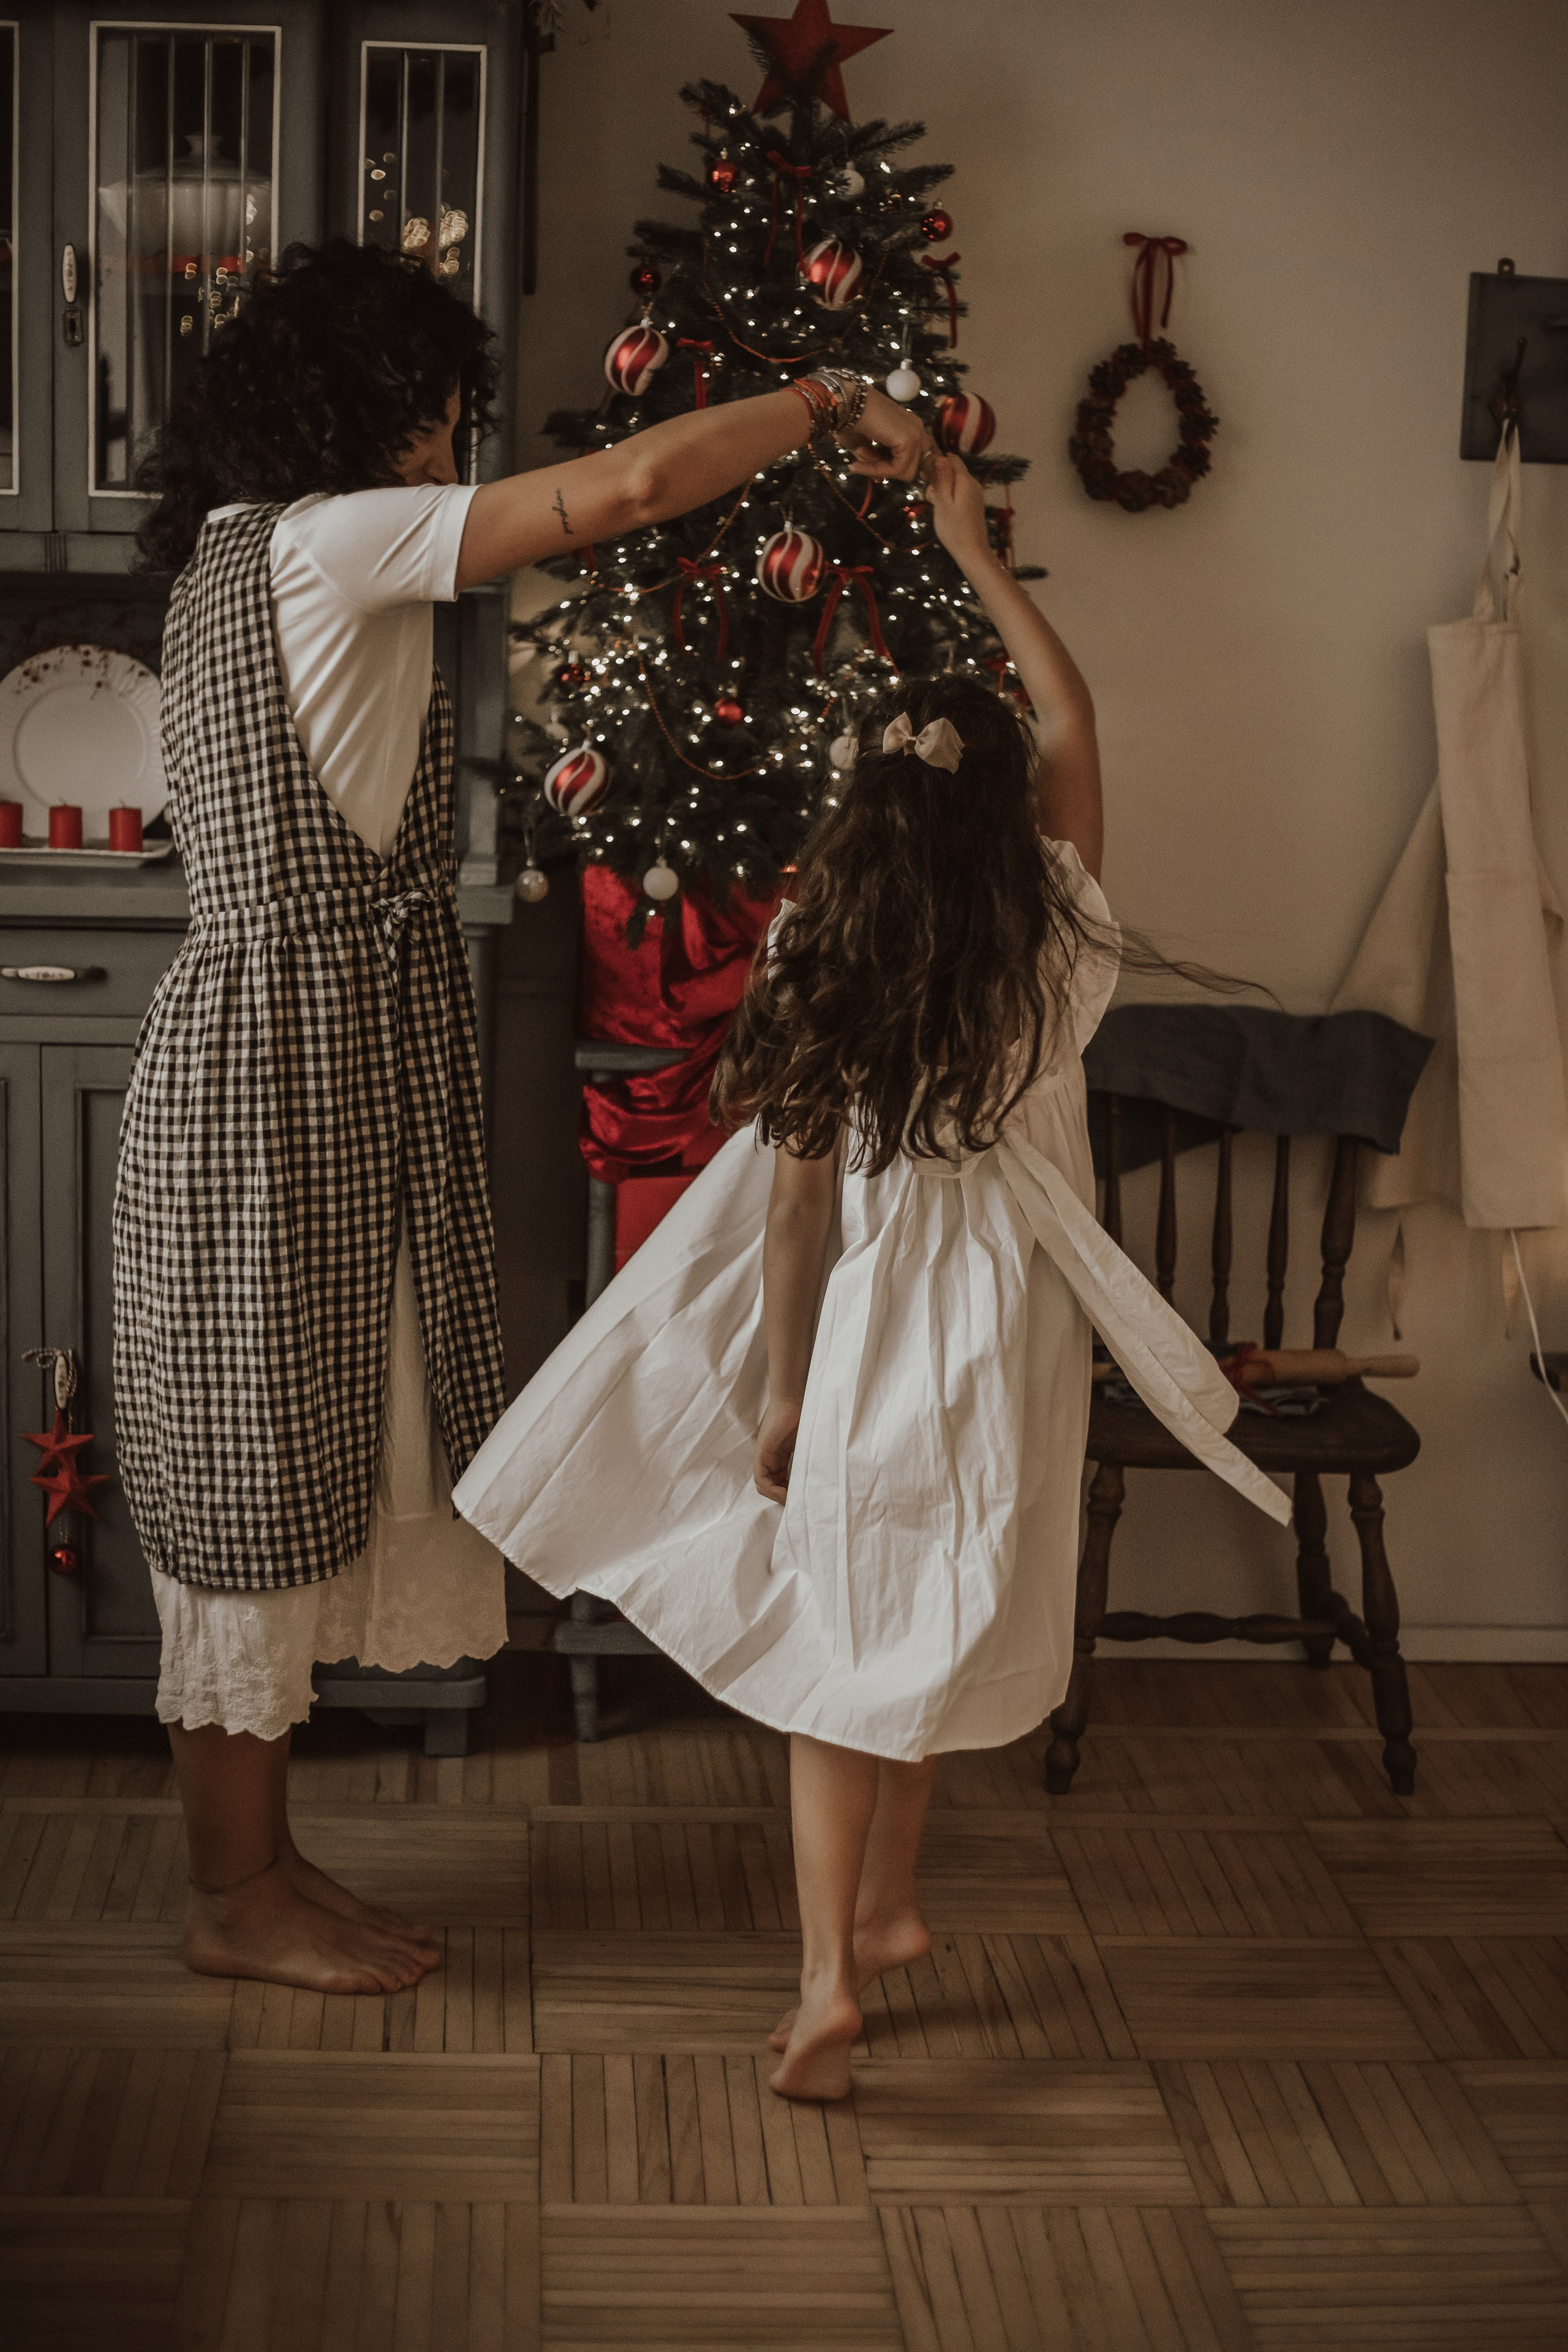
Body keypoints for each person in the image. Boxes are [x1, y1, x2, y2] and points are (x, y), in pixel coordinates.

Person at [122, 238, 928, 1999]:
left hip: (322, 1059)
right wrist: (826, 402)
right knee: (258, 1460)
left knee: (311, 1442)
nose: (449, 447)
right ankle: (227, 1898)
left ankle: (259, 1866)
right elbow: (629, 485)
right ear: (375, 406)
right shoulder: (330, 535)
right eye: (439, 412)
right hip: (282, 1081)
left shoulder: (239, 557)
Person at [454, 450, 1291, 2097]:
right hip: (1016, 1321)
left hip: (872, 1333)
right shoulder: (1059, 921)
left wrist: (780, 1391)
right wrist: (980, 559)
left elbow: (795, 1211)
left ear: (861, 812)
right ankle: (894, 1905)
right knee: (935, 1610)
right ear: (1005, 810)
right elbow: (1074, 721)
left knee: (843, 1637)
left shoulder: (821, 943)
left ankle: (835, 1974)